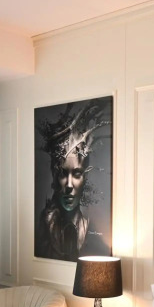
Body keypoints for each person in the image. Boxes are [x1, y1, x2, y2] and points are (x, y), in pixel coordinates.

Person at [35, 100, 108, 261]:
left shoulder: (91, 229)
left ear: (85, 178)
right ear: (54, 176)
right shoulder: (42, 226)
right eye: (63, 174)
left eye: (76, 174)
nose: (69, 185)